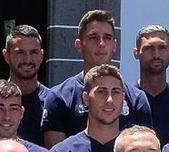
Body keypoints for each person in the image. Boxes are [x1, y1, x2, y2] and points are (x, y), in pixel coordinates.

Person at [41, 9, 155, 144]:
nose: (101, 44)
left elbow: (145, 148)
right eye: (93, 37)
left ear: (114, 46)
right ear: (79, 44)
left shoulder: (136, 98)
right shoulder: (59, 97)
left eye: (107, 38)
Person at [0, 23, 50, 143]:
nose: (27, 60)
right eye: (20, 53)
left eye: (34, 52)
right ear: (6, 55)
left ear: (42, 55)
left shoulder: (52, 101)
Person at [132, 24, 169, 143]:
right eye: (149, 48)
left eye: (162, 48)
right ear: (136, 53)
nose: (156, 55)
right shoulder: (125, 99)